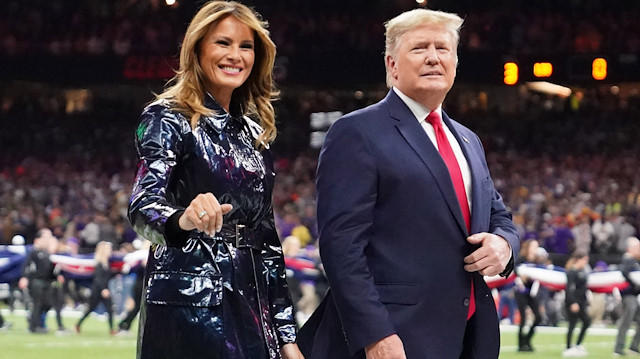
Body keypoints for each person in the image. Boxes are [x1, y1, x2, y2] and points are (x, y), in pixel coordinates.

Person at [298, 8, 519, 359]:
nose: (433, 57)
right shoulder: (357, 132)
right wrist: (375, 334)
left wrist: (504, 246)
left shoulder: (468, 140)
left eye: (443, 48)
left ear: (456, 62)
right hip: (395, 336)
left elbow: (499, 218)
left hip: (468, 336)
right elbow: (342, 248)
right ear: (392, 65)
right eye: (419, 48)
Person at [127, 2, 302, 358]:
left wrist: (286, 336)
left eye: (246, 46)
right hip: (190, 302)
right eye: (223, 43)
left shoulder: (255, 135)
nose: (235, 55)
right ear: (198, 49)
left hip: (253, 305)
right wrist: (182, 219)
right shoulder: (168, 118)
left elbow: (267, 241)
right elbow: (142, 206)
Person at [18, 228, 58, 334]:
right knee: (37, 303)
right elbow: (26, 265)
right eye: (46, 237)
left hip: (47, 281)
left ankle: (36, 323)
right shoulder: (34, 251)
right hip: (36, 281)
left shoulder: (48, 253)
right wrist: (24, 277)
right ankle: (33, 327)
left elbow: (51, 269)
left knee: (47, 303)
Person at [75, 241, 115, 335]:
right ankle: (78, 324)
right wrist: (103, 289)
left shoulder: (106, 262)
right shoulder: (99, 263)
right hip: (98, 289)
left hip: (104, 288)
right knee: (91, 308)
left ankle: (112, 329)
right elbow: (98, 278)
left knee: (109, 309)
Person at [514, 239, 543, 352]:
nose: (535, 249)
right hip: (521, 291)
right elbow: (514, 270)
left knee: (538, 317)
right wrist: (521, 276)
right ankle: (521, 344)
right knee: (523, 318)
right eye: (534, 246)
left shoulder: (538, 261)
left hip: (532, 291)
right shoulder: (521, 259)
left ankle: (528, 339)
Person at [614, 236, 640, 356]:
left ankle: (634, 346)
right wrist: (634, 283)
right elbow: (624, 273)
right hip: (628, 295)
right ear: (631, 248)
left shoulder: (634, 261)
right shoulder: (627, 260)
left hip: (635, 295)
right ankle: (618, 348)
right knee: (626, 321)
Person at [563, 250, 591, 357]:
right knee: (572, 324)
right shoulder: (572, 272)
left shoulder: (582, 272)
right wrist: (573, 302)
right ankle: (568, 347)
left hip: (581, 301)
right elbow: (569, 289)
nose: (585, 263)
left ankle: (577, 344)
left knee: (586, 321)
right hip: (574, 302)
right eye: (584, 260)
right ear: (578, 260)